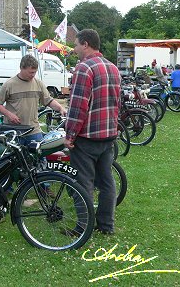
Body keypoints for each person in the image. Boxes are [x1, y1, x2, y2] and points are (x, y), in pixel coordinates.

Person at [64, 29, 120, 235]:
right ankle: (106, 226)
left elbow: (78, 106)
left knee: (83, 183)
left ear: (85, 44)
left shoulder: (84, 68)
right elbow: (117, 103)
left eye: (76, 45)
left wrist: (69, 135)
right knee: (107, 182)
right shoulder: (113, 68)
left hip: (88, 137)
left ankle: (83, 228)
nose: (75, 49)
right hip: (108, 135)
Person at [0, 54, 67, 146]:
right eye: (30, 72)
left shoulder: (38, 84)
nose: (33, 75)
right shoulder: (9, 84)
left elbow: (49, 101)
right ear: (21, 68)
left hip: (33, 130)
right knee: (14, 159)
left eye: (34, 72)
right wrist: (9, 115)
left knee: (39, 158)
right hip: (14, 131)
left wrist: (60, 108)